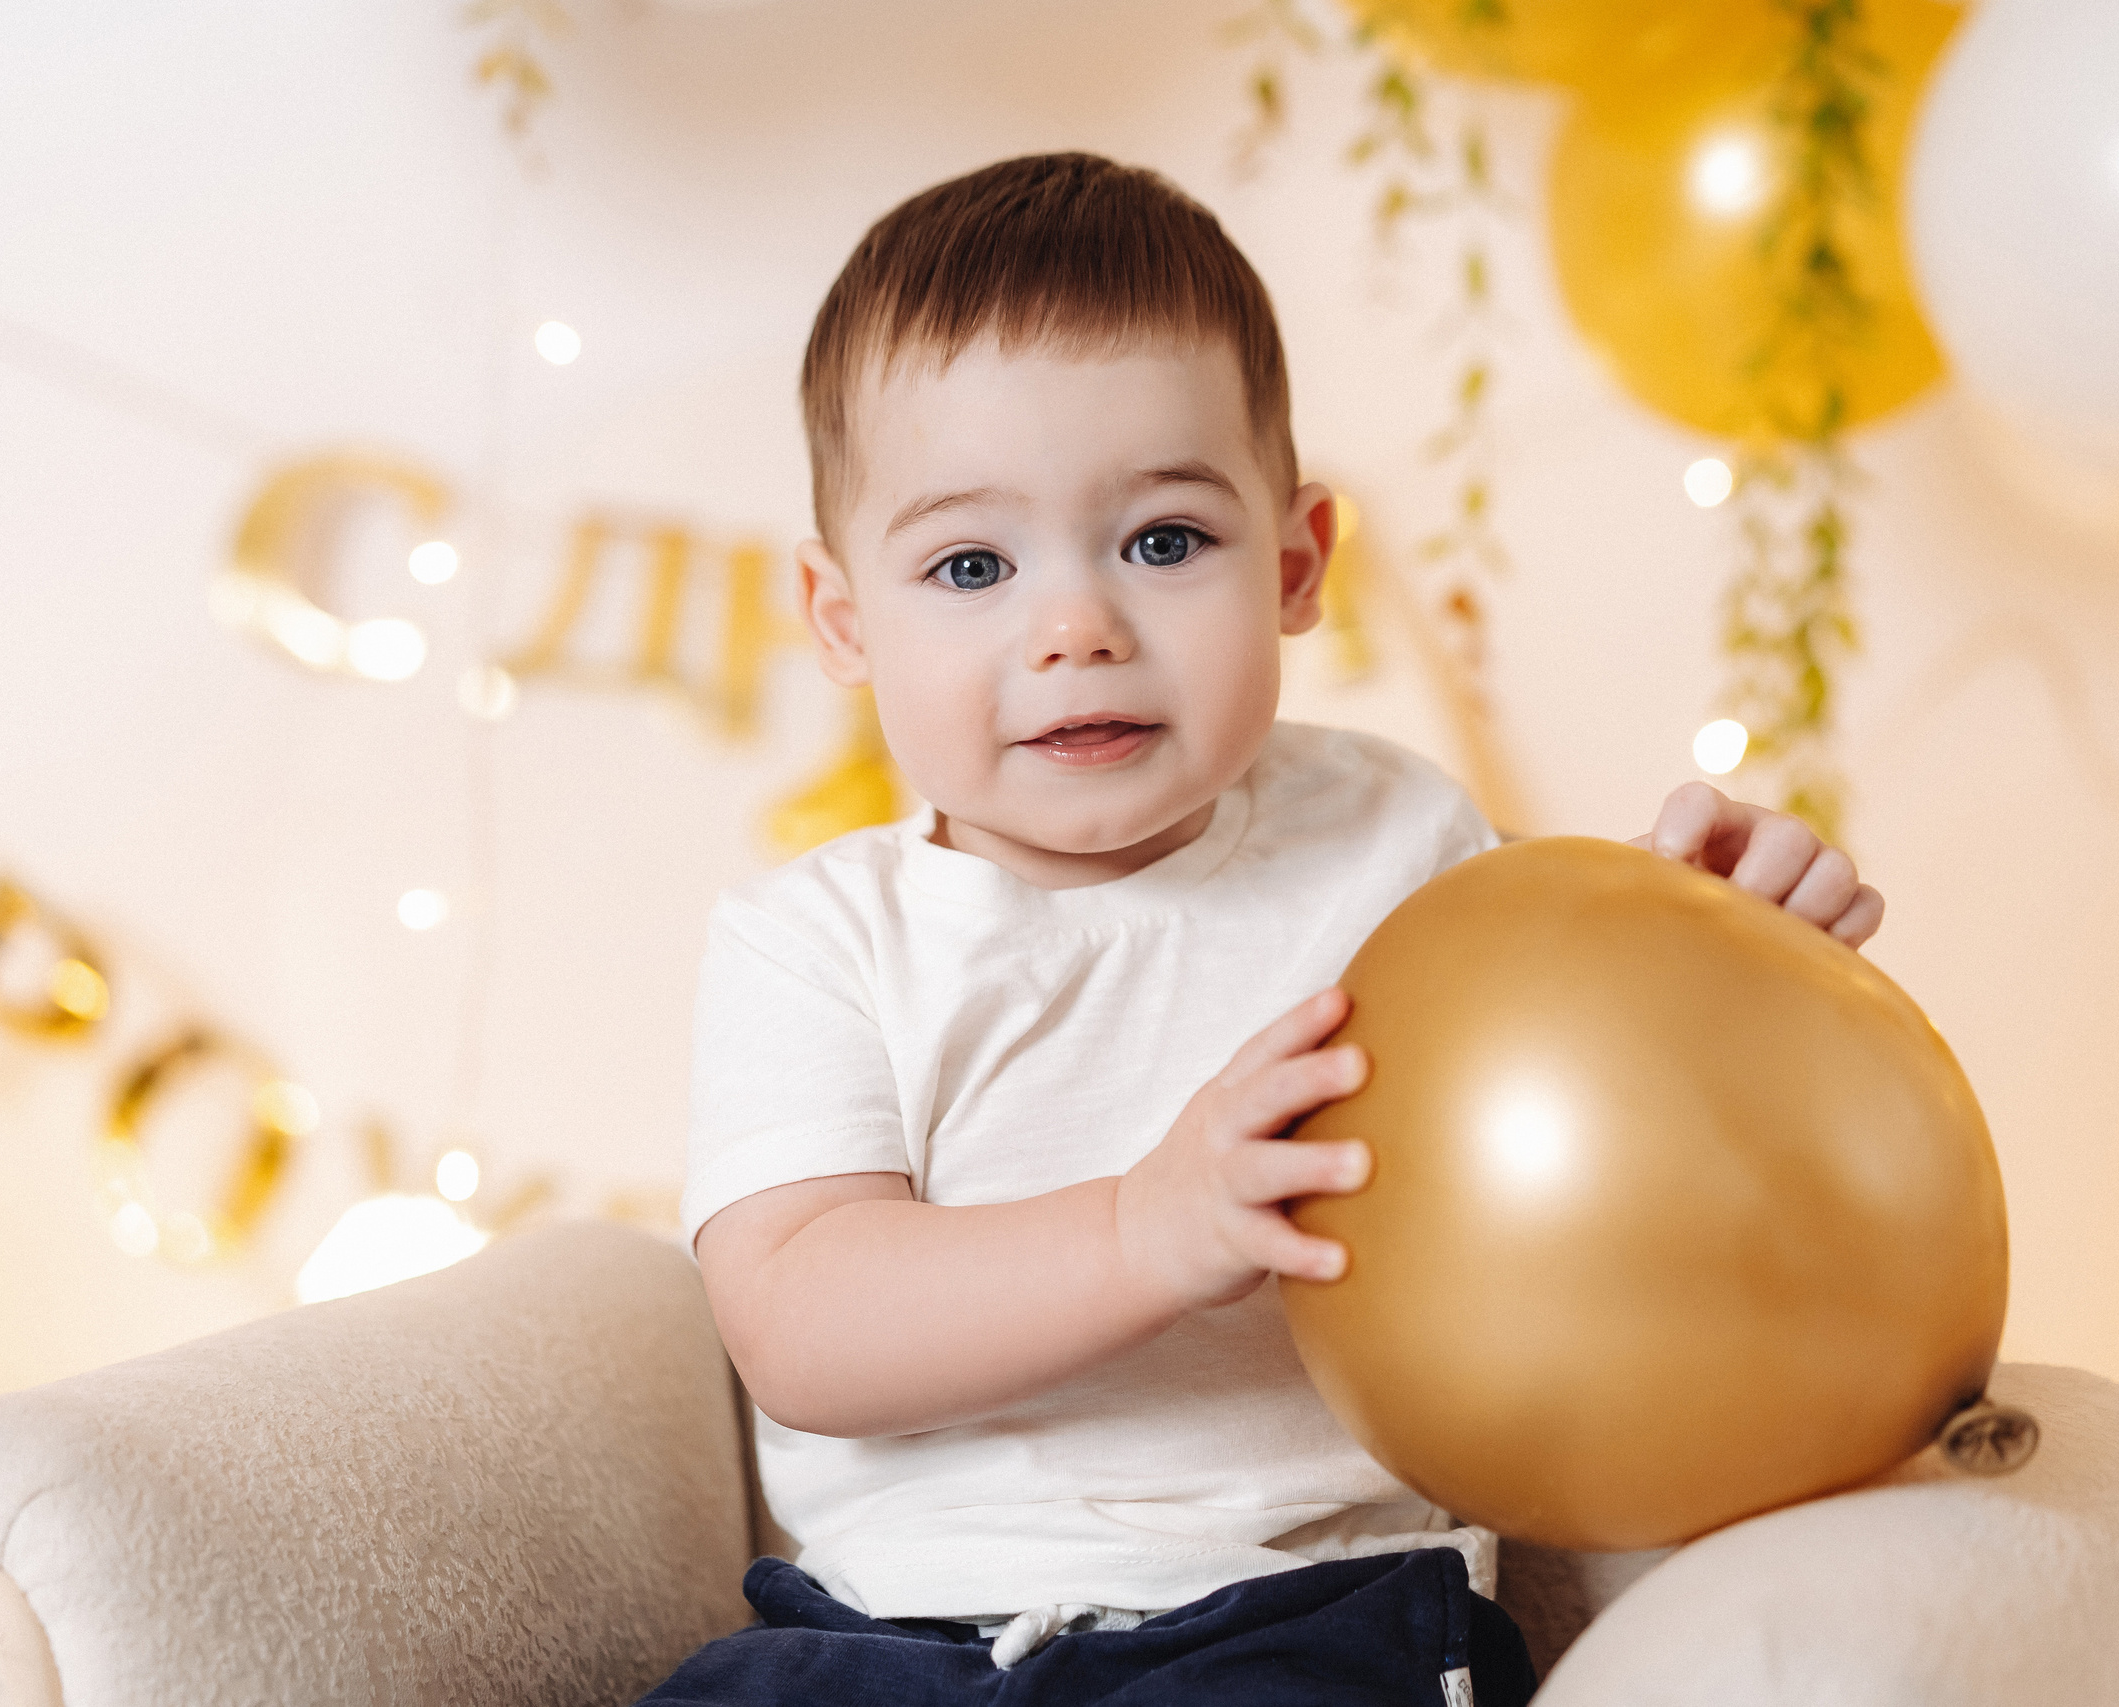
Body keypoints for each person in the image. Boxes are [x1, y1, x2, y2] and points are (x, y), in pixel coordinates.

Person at [652, 152, 1884, 1706]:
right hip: (887, 1636)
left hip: (1302, 1608)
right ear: (844, 621)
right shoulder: (817, 939)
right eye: (971, 565)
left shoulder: (1393, 849)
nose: (1076, 625)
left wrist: (1733, 954)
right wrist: (1139, 1234)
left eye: (1165, 540)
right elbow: (804, 1327)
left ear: (1295, 564)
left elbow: (1597, 1100)